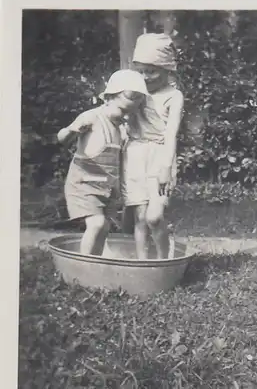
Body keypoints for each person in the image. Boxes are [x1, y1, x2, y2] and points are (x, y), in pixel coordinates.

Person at [57, 69, 149, 256]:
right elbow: (61, 138)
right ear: (107, 98)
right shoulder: (91, 117)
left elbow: (117, 164)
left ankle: (95, 261)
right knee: (97, 223)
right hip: (83, 184)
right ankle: (82, 263)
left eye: (130, 114)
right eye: (123, 110)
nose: (125, 117)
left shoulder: (121, 129)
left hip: (106, 190)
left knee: (104, 227)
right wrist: (72, 131)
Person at [121, 33, 184, 260]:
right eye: (141, 71)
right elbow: (117, 113)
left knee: (154, 217)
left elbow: (171, 134)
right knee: (139, 217)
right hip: (135, 155)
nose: (146, 77)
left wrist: (166, 167)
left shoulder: (174, 96)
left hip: (160, 155)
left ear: (167, 70)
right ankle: (141, 263)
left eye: (152, 71)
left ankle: (163, 260)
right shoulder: (135, 91)